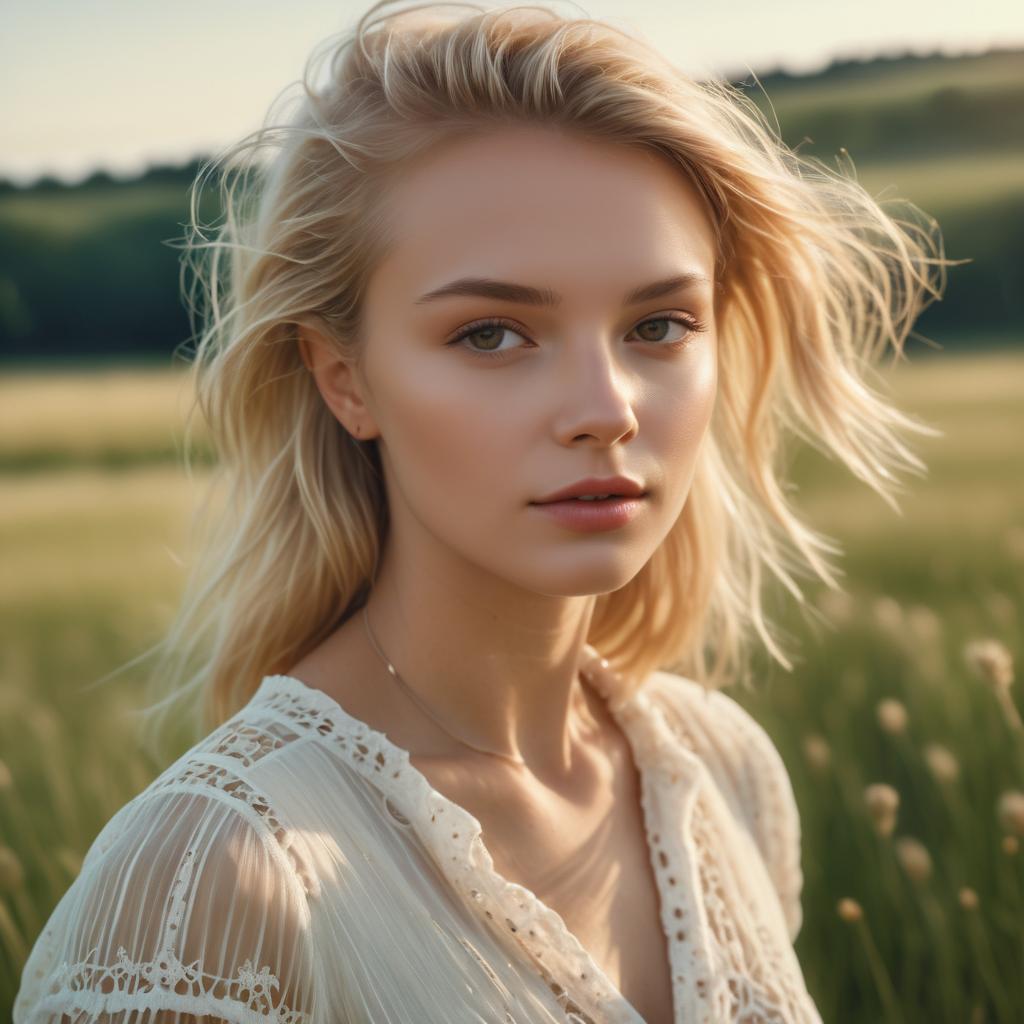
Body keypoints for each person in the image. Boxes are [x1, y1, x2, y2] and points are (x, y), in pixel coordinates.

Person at [13, 1, 948, 1021]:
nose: (605, 411)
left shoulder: (724, 771)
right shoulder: (215, 877)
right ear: (344, 379)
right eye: (493, 334)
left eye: (659, 324)